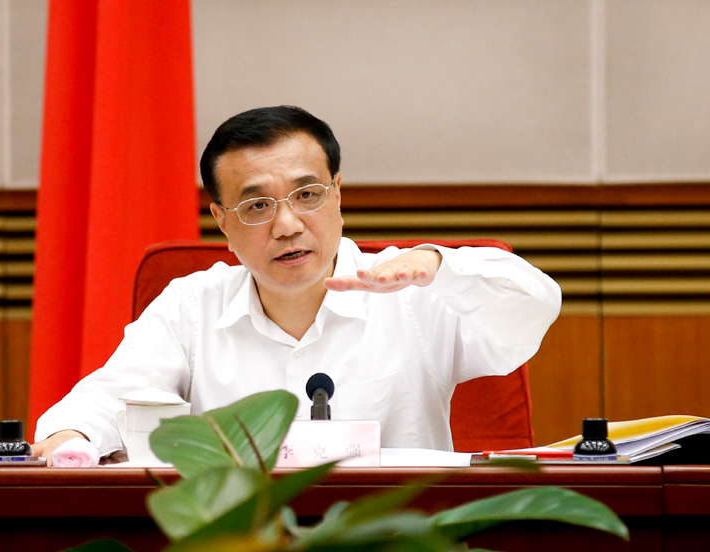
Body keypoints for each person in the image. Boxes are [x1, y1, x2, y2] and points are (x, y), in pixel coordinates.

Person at [32, 106, 561, 463]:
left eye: (307, 195)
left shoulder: (412, 289)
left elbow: (531, 312)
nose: (287, 225)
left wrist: (440, 265)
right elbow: (107, 398)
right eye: (257, 205)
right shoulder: (190, 307)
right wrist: (71, 438)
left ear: (337, 194)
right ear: (221, 220)